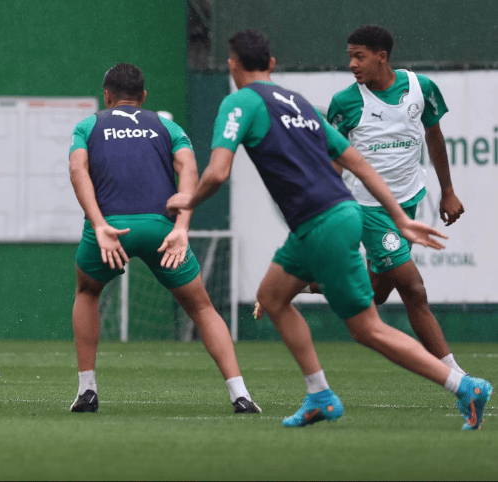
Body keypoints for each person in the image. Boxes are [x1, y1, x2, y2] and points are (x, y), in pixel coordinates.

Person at [166, 30, 492, 430]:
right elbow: (358, 163)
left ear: (233, 65)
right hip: (329, 219)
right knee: (271, 296)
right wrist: (401, 216)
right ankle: (319, 394)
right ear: (271, 64)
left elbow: (217, 173)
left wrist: (188, 201)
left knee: (368, 328)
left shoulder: (240, 101)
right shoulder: (299, 103)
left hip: (323, 222)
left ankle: (464, 385)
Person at [67, 62, 261, 414]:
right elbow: (189, 168)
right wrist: (182, 228)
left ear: (106, 96)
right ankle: (240, 394)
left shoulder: (88, 125)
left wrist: (98, 224)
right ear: (143, 97)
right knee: (202, 307)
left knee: (87, 291)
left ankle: (87, 390)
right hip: (162, 230)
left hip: (110, 230)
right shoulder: (168, 126)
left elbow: (78, 169)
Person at [327, 25, 466, 374]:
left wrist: (447, 191)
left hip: (407, 203)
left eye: (359, 56)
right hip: (368, 208)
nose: (353, 64)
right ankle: (459, 379)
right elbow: (330, 160)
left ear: (381, 56)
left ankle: (314, 280)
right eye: (350, 57)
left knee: (375, 295)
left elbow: (434, 136)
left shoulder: (421, 88)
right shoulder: (346, 103)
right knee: (414, 289)